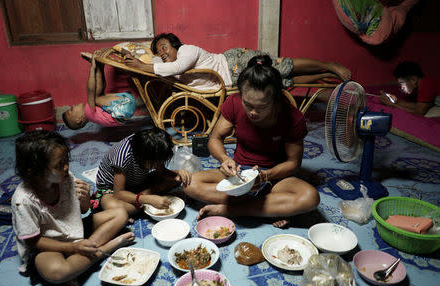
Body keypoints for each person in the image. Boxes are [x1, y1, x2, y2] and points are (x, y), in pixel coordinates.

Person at [183, 55, 320, 228]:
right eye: (248, 104)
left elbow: (294, 163)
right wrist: (224, 159)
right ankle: (267, 208)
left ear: (275, 99)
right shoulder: (233, 103)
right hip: (239, 172)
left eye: (262, 107)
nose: (253, 112)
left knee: (310, 197)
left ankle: (231, 210)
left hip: (275, 178)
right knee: (189, 184)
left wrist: (265, 176)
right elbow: (215, 139)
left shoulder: (291, 116)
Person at [11, 130, 135, 284]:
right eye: (59, 165)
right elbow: (33, 242)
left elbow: (83, 211)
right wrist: (73, 248)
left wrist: (85, 199)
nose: (66, 167)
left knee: (120, 214)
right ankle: (107, 249)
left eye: (66, 160)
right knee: (57, 272)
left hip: (74, 229)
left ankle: (81, 259)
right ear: (34, 171)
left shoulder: (66, 177)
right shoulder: (23, 200)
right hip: (48, 245)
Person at [123, 32, 351, 91]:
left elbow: (177, 67)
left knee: (282, 66)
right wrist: (143, 61)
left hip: (236, 63)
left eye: (164, 46)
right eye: (158, 51)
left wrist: (141, 65)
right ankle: (322, 76)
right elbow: (161, 68)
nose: (162, 52)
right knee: (282, 82)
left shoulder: (186, 51)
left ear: (175, 44)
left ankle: (328, 65)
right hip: (235, 79)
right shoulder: (166, 67)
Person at [94, 127, 192, 216]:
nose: (158, 166)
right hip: (112, 190)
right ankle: (150, 195)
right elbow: (119, 193)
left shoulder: (152, 147)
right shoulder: (123, 156)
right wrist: (147, 199)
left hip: (137, 181)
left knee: (177, 179)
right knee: (116, 207)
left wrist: (178, 172)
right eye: (155, 164)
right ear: (141, 157)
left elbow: (162, 172)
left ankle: (148, 195)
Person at [62, 52, 139, 129]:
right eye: (71, 109)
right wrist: (92, 68)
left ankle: (100, 65)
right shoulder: (88, 113)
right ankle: (97, 65)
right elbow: (91, 90)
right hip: (125, 107)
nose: (72, 106)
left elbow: (100, 90)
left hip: (126, 106)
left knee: (99, 96)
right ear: (78, 119)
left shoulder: (95, 114)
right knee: (95, 98)